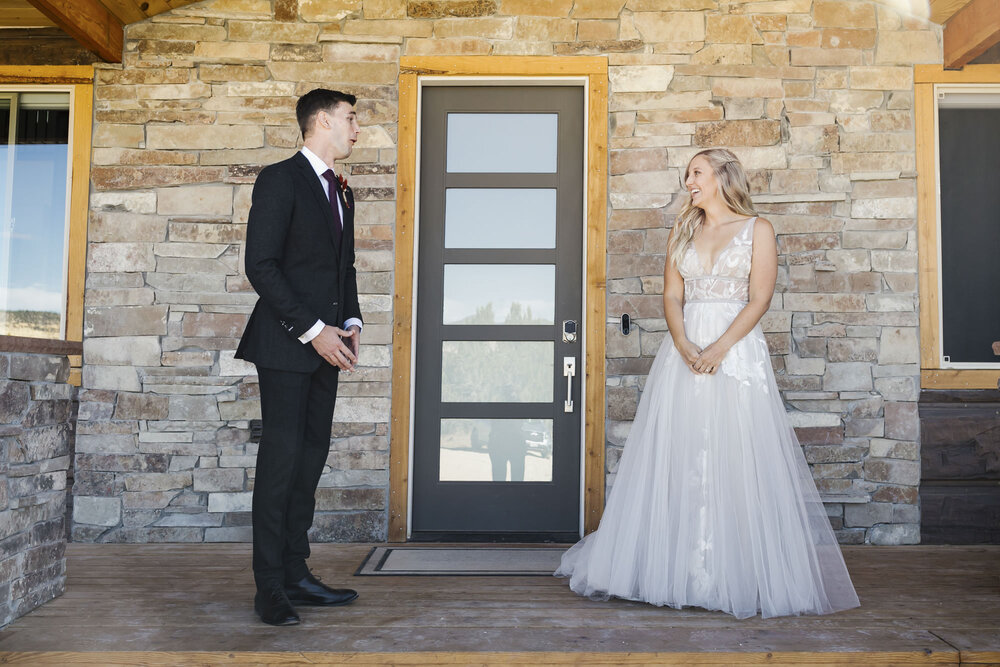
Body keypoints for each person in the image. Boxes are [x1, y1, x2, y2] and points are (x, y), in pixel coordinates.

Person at [555, 148, 860, 619]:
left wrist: (720, 348)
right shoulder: (683, 229)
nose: (688, 183)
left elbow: (759, 298)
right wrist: (682, 343)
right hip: (685, 354)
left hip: (736, 353)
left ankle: (730, 573)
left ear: (721, 176)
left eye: (695, 173)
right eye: (687, 176)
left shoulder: (758, 230)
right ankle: (673, 568)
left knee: (735, 451)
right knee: (681, 451)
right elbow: (672, 294)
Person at [235, 89, 363, 626]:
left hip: (328, 350)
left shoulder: (341, 191)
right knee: (281, 464)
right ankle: (269, 588)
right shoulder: (279, 179)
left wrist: (351, 323)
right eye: (351, 119)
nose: (356, 129)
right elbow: (260, 265)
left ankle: (296, 573)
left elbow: (344, 269)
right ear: (323, 121)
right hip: (287, 347)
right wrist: (314, 331)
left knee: (309, 462)